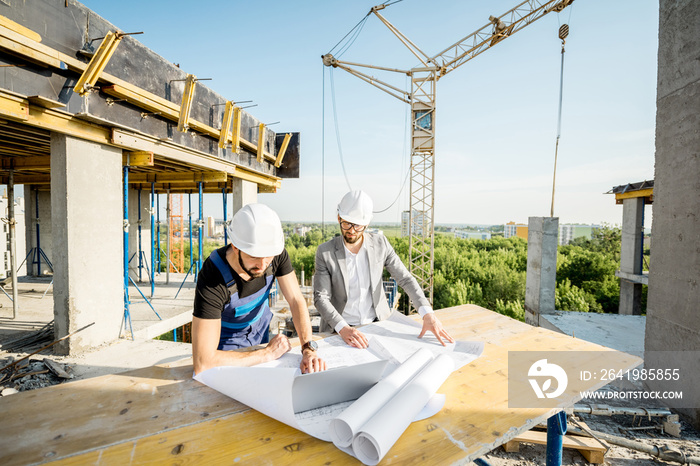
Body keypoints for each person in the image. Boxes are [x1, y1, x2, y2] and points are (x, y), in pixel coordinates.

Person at [192, 203, 326, 375]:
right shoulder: (212, 278)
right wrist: (267, 354)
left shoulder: (275, 253)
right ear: (235, 247)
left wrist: (308, 347)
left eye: (268, 257)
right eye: (254, 257)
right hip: (225, 347)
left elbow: (296, 300)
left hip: (260, 334)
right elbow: (203, 362)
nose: (262, 265)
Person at [313, 190, 454, 349]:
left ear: (367, 224)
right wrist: (343, 328)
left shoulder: (381, 244)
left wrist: (428, 314)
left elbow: (405, 279)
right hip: (339, 330)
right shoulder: (325, 252)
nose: (351, 230)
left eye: (357, 225)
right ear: (339, 217)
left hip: (378, 324)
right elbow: (320, 298)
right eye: (346, 223)